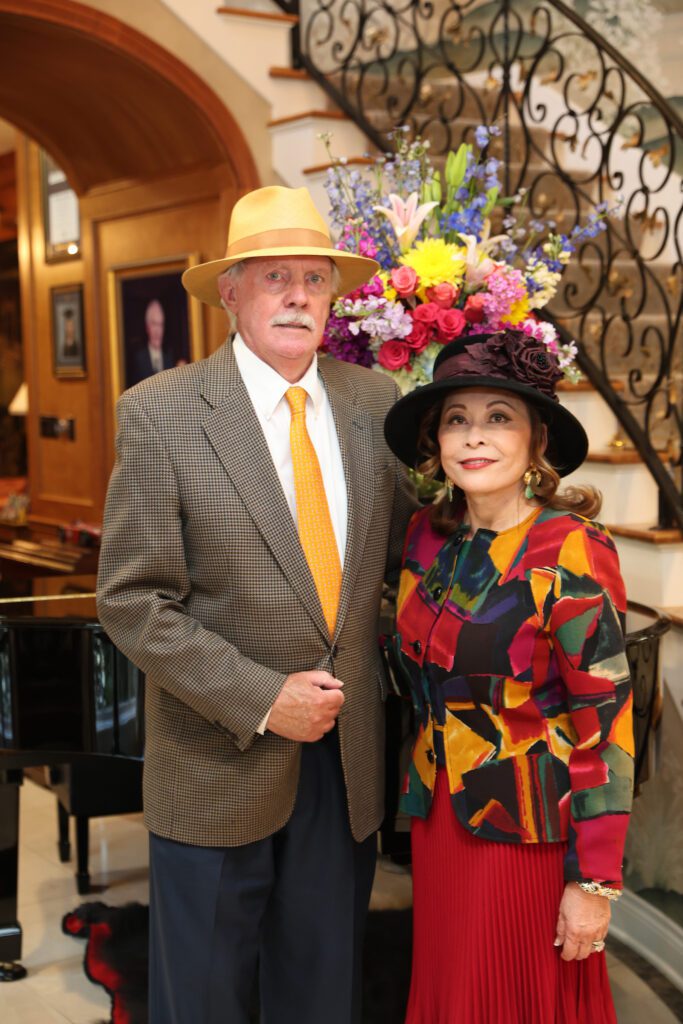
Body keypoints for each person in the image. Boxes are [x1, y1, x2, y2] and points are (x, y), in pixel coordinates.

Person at [96, 185, 416, 1024]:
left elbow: (403, 561)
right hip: (218, 756)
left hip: (344, 762)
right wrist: (262, 697)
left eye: (314, 278)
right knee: (203, 998)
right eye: (275, 277)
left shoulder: (371, 405)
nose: (298, 295)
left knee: (322, 994)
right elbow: (132, 600)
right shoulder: (161, 413)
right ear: (230, 290)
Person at [383, 329, 634, 1023]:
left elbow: (605, 724)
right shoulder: (425, 538)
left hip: (528, 834)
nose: (474, 437)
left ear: (536, 442)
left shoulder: (570, 550)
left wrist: (594, 880)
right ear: (435, 444)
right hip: (439, 820)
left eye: (499, 418)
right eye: (456, 420)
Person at [129, 299, 174, 384]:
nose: (158, 330)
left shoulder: (170, 356)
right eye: (154, 324)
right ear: (147, 327)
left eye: (160, 324)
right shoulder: (138, 359)